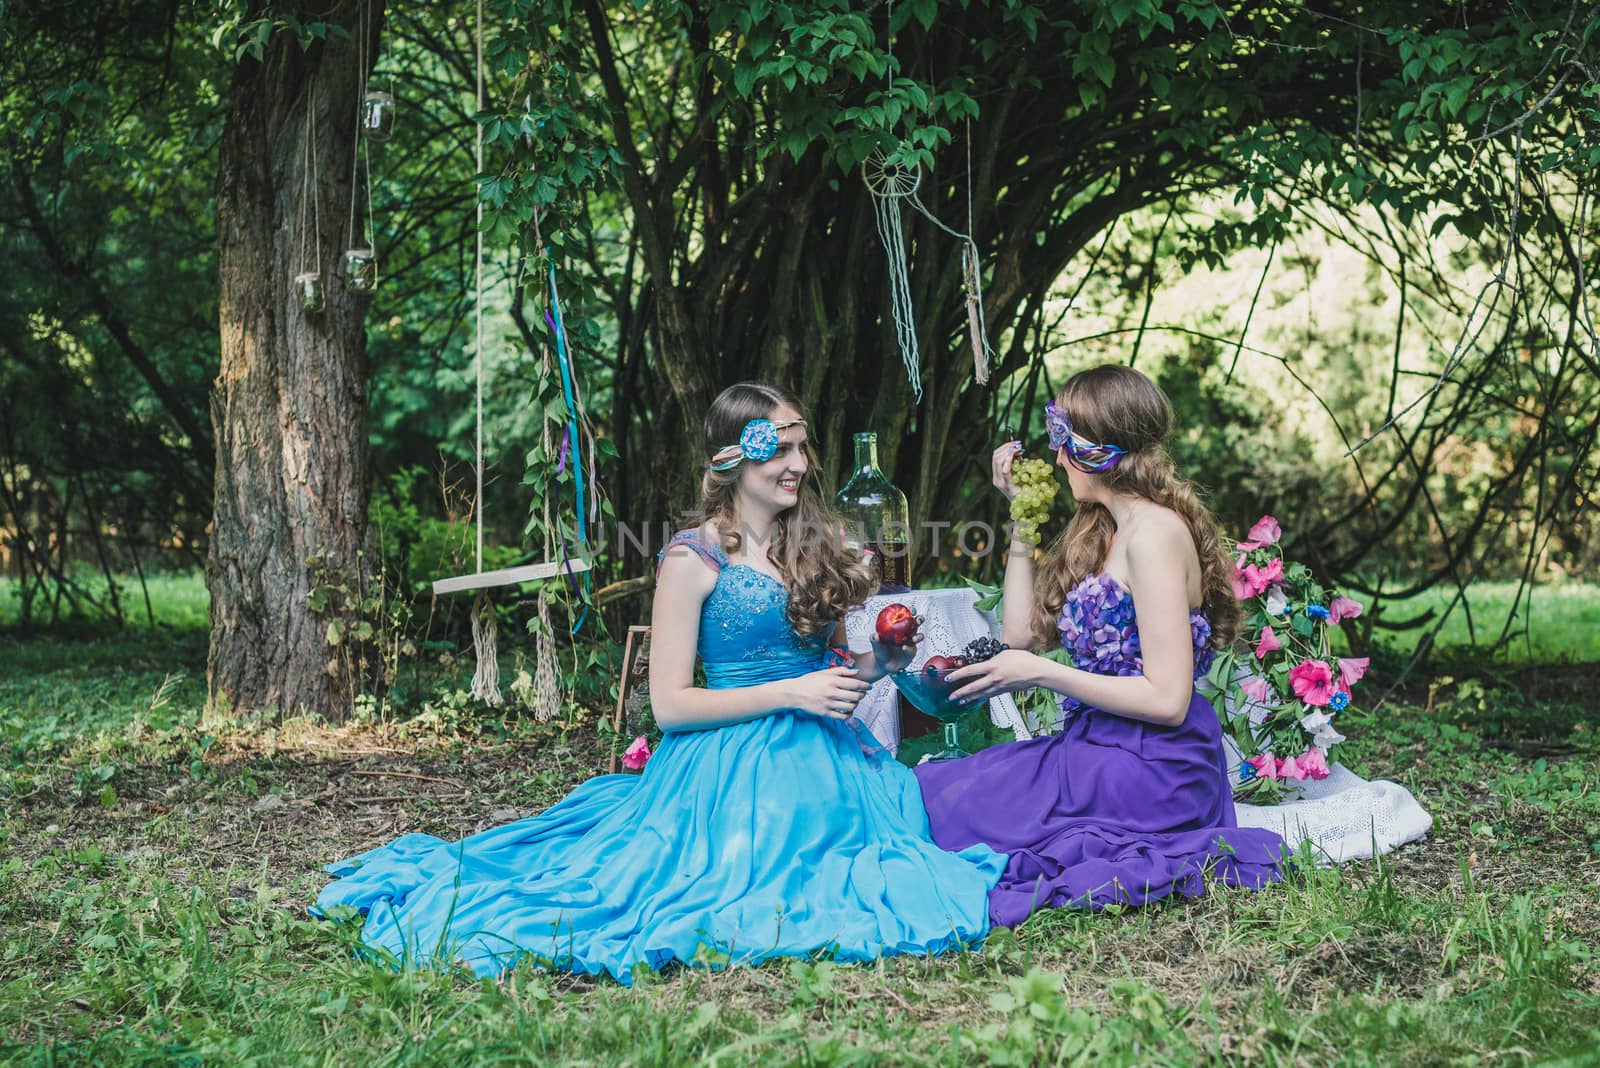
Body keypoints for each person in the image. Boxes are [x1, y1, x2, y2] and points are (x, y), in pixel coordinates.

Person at [315, 382, 1004, 983]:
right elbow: (671, 706)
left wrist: (877, 663)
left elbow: (830, 677)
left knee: (864, 859)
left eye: (802, 448)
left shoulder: (814, 546)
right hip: (729, 758)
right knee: (710, 877)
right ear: (731, 458)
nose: (797, 464)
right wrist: (791, 694)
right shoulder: (691, 558)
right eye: (779, 447)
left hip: (826, 754)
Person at [914, 364, 1290, 925]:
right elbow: (1018, 634)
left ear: (1098, 451)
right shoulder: (1105, 528)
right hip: (1097, 750)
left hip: (1153, 768)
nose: (1057, 457)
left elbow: (1168, 700)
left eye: (1065, 442)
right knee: (938, 789)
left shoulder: (1156, 533)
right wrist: (1021, 515)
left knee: (957, 809)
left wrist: (1041, 674)